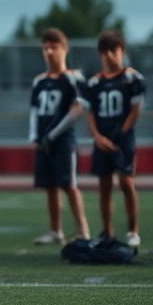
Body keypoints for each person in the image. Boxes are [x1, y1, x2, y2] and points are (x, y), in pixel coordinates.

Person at [30, 28, 91, 245]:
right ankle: (56, 230)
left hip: (63, 139)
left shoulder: (72, 78)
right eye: (45, 48)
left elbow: (77, 109)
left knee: (70, 185)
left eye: (54, 47)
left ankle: (83, 230)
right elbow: (35, 110)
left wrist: (53, 134)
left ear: (64, 49)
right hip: (44, 140)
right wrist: (35, 136)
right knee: (50, 186)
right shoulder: (39, 81)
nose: (49, 52)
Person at [83, 31, 143, 245]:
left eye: (114, 50)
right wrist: (98, 137)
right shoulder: (94, 82)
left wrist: (120, 134)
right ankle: (107, 231)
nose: (109, 55)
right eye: (105, 51)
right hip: (102, 138)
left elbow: (136, 109)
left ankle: (133, 230)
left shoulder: (131, 78)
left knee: (127, 182)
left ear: (122, 52)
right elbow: (90, 112)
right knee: (105, 185)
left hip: (123, 139)